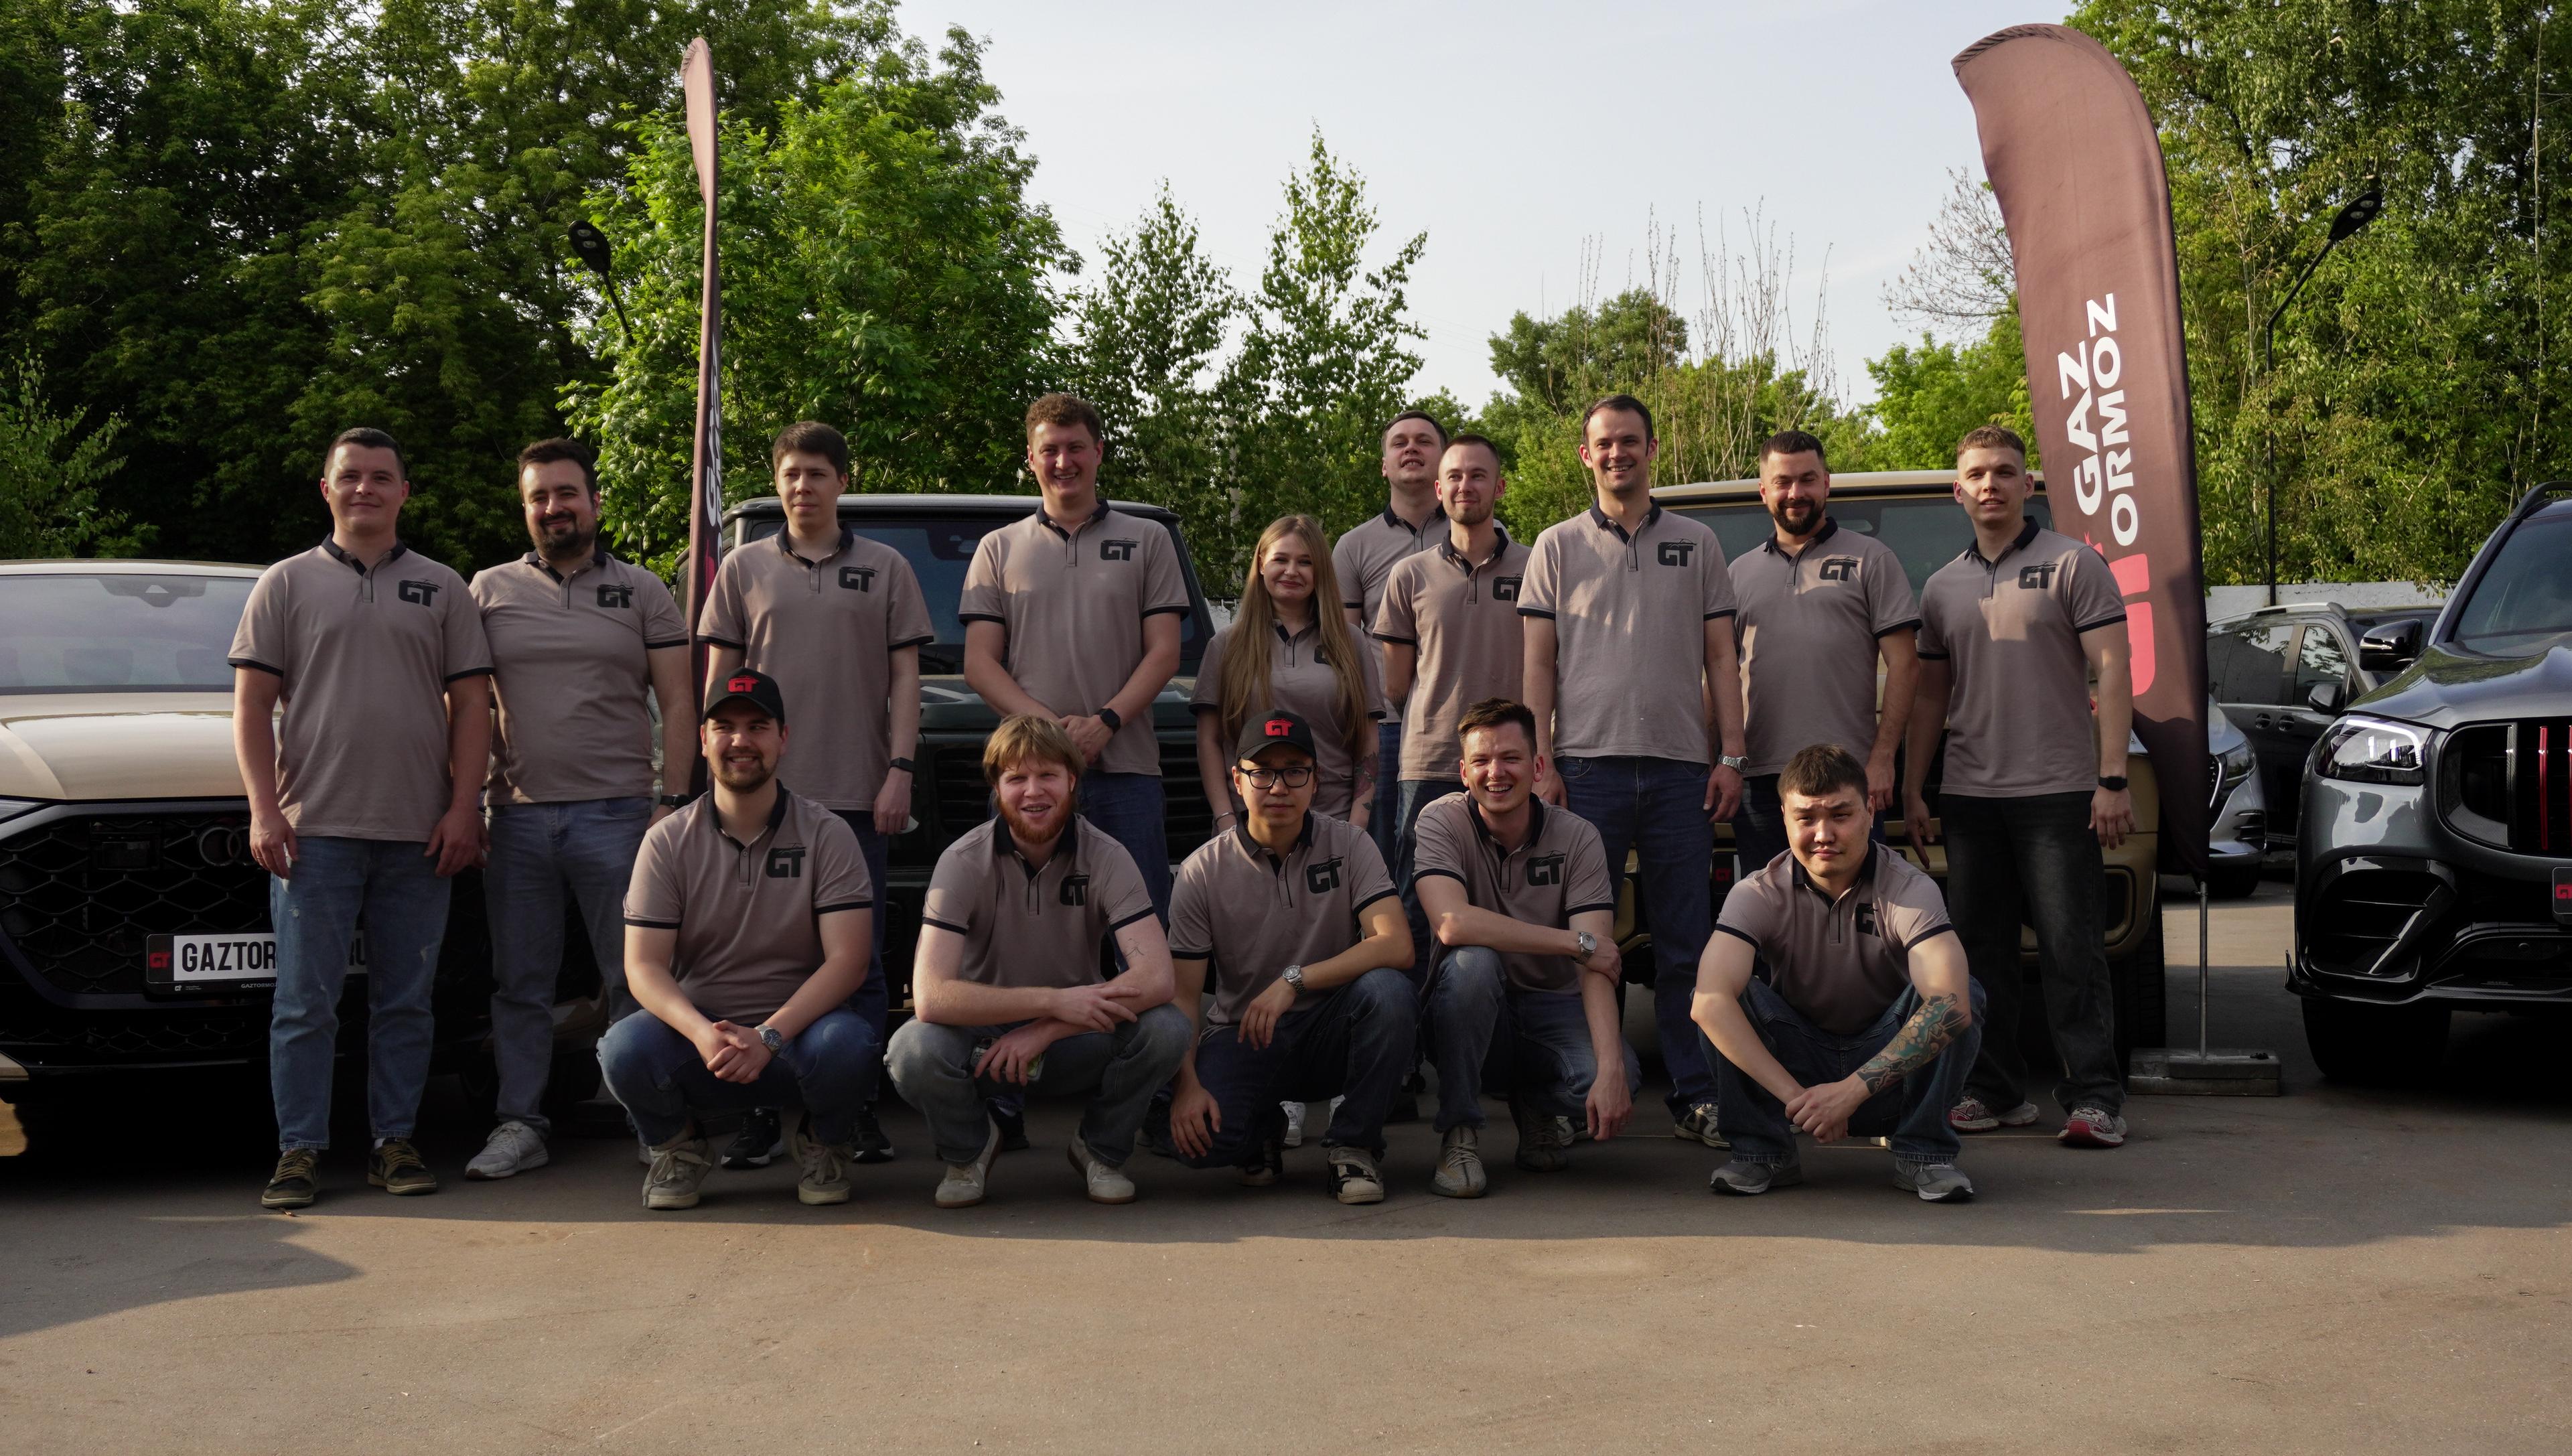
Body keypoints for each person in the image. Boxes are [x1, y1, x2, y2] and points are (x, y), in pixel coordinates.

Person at [230, 427, 493, 1209]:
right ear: (326, 489)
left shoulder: (443, 587)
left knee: (406, 1002)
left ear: (404, 491)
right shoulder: (284, 583)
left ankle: (394, 1140)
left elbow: (472, 706)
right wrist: (264, 810)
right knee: (303, 1003)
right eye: (350, 476)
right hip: (313, 832)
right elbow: (251, 706)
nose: (365, 489)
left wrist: (464, 807)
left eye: (382, 477)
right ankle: (299, 1149)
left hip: (419, 833)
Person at [701, 421, 931, 1169]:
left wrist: (900, 768)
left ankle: (851, 1110)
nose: (804, 486)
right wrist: (715, 776)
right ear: (777, 483)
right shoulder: (742, 568)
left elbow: (905, 678)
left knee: (858, 959)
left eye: (818, 473)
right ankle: (759, 1112)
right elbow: (719, 682)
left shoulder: (887, 567)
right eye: (792, 474)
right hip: (757, 798)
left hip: (858, 796)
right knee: (754, 957)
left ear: (842, 482)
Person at [1519, 393, 1744, 1149]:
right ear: (1586, 454)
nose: (1617, 453)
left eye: (1630, 441)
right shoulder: (1555, 545)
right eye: (1604, 443)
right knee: (1582, 943)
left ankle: (1696, 1095)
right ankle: (1577, 1091)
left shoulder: (1698, 542)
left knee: (1687, 944)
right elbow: (1538, 664)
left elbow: (1723, 656)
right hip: (1587, 771)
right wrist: (1542, 763)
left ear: (1652, 449)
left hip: (1682, 771)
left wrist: (1732, 755)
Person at [465, 437, 693, 1180]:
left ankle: (652, 1124)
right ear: (524, 508)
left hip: (620, 815)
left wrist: (674, 801)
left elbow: (679, 700)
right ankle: (519, 1124)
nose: (553, 508)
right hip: (516, 815)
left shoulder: (643, 590)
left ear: (595, 502)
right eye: (538, 497)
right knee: (520, 986)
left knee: (635, 978)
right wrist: (463, 800)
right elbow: (466, 706)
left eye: (566, 493)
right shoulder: (486, 590)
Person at [1903, 425, 2137, 1150]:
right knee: (1981, 954)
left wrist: (2112, 779)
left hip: (2059, 793)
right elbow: (1931, 696)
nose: (1991, 485)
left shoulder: (2074, 564)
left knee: (2072, 952)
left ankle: (2095, 1098)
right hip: (1970, 797)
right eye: (1977, 474)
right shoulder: (1942, 586)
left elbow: (2113, 670)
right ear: (1958, 490)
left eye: (2004, 472)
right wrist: (1914, 788)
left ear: (2027, 484)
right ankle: (1995, 1090)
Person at [603, 670, 881, 1210]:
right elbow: (643, 967)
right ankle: (679, 1148)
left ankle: (825, 1142)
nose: (740, 741)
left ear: (784, 737)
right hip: (704, 1044)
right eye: (724, 727)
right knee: (623, 1049)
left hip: (799, 1040)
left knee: (850, 1046)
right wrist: (702, 1034)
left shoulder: (827, 833)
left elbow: (849, 962)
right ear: (703, 740)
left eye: (757, 727)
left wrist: (769, 1037)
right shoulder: (666, 841)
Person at [887, 714, 1190, 1208]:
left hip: (1076, 1037)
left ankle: (1100, 1150)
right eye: (1016, 778)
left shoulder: (1108, 855)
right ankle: (970, 1150)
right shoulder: (961, 861)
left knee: (1167, 1028)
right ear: (996, 788)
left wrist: (1047, 1027)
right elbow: (931, 997)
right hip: (985, 1043)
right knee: (912, 1050)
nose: (1033, 791)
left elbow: (1157, 977)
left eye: (1048, 774)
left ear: (1072, 780)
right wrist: (1050, 1002)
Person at [1693, 744, 1985, 1202]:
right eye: (1806, 818)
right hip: (1797, 1072)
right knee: (1719, 996)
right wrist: (1804, 1102)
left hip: (1887, 1073)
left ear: (1870, 810)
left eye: (1840, 815)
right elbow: (1708, 1004)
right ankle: (1761, 1152)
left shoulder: (1910, 888)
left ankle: (1925, 1154)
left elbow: (1952, 1006)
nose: (1823, 834)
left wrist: (1850, 1093)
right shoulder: (1757, 892)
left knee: (1959, 993)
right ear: (1785, 818)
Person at [1166, 711, 1414, 1203]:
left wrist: (1293, 981)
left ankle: (1355, 1146)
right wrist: (1186, 1087)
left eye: (1295, 771)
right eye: (1262, 772)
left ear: (1316, 781)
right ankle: (1263, 1128)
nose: (1279, 787)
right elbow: (1183, 996)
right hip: (1246, 1032)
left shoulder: (1350, 844)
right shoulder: (1201, 871)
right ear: (1237, 780)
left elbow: (1396, 944)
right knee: (1200, 1146)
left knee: (1389, 992)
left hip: (1331, 1028)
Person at [962, 394, 1190, 919]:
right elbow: (979, 664)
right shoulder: (997, 548)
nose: (1063, 462)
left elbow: (1165, 652)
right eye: (1050, 450)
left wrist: (1105, 722)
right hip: (1027, 774)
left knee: (1139, 925)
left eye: (1076, 448)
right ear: (1031, 459)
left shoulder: (1149, 539)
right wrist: (1053, 736)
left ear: (1099, 452)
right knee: (1020, 922)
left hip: (1126, 772)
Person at [1412, 699, 1638, 1197]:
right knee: (1472, 963)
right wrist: (1574, 943)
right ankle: (1459, 1133)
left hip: (1551, 1008)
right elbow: (1451, 923)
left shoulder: (1578, 836)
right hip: (1468, 1009)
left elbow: (1597, 965)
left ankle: (1536, 1105)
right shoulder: (1440, 820)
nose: (1496, 773)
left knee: (1606, 1079)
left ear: (1538, 767)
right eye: (1482, 760)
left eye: (1510, 758)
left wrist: (1612, 1069)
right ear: (1464, 772)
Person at [1374, 433, 1530, 983]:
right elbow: (1396, 684)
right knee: (1416, 906)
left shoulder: (1537, 566)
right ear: (1440, 490)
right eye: (1456, 477)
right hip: (1431, 762)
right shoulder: (1409, 575)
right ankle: (1413, 1027)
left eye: (1478, 475)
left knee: (1511, 898)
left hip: (1511, 765)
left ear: (1499, 487)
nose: (1467, 486)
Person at [1727, 431, 1919, 875]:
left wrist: (1882, 759)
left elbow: (1906, 665)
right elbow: (1721, 674)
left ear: (1827, 484)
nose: (1795, 493)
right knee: (1771, 907)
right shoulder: (1738, 573)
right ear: (1764, 491)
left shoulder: (1871, 559)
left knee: (1856, 906)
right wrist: (1719, 763)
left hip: (1848, 777)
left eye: (1808, 480)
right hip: (1760, 782)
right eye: (1783, 482)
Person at [1192, 514, 1385, 828]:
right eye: (1281, 559)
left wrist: (1357, 823)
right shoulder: (1226, 645)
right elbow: (1209, 741)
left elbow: (1367, 740)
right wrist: (1225, 818)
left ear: (1320, 570)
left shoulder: (1350, 642)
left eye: (1305, 562)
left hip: (1333, 821)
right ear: (1261, 564)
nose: (1292, 571)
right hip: (1248, 824)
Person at [1334, 410, 1449, 866]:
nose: (1411, 448)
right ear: (1384, 465)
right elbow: (1342, 647)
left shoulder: (1487, 535)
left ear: (1444, 460)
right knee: (1383, 857)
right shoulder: (1353, 546)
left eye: (1424, 441)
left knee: (1453, 853)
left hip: (1460, 724)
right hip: (1383, 727)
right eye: (1400, 442)